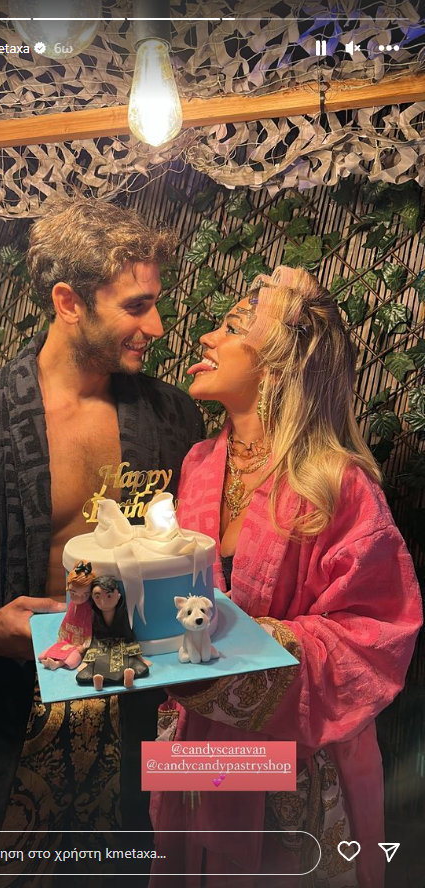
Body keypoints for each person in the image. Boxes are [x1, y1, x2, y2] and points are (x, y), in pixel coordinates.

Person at [0, 199, 204, 882]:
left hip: (136, 725)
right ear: (68, 301)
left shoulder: (174, 419)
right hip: (5, 729)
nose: (157, 326)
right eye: (136, 306)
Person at [150, 266, 422, 888]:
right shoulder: (197, 465)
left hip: (290, 764)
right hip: (193, 748)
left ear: (278, 364)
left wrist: (242, 649)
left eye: (230, 327)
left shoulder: (337, 484)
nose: (205, 338)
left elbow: (376, 635)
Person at [77, 575, 150, 689]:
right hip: (101, 647)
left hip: (121, 646)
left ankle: (128, 677)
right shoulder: (93, 616)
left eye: (109, 596)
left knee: (139, 667)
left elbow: (129, 636)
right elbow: (94, 638)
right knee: (87, 672)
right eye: (97, 596)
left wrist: (140, 658)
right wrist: (86, 662)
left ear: (118, 596)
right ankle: (98, 680)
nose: (103, 602)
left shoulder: (123, 615)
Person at [38, 560, 94, 670]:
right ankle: (50, 659)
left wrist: (83, 646)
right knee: (51, 651)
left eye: (85, 595)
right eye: (74, 594)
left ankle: (58, 664)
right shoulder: (72, 604)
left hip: (79, 642)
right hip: (67, 637)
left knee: (73, 659)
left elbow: (89, 629)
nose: (79, 599)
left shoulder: (88, 609)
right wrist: (61, 636)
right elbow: (66, 620)